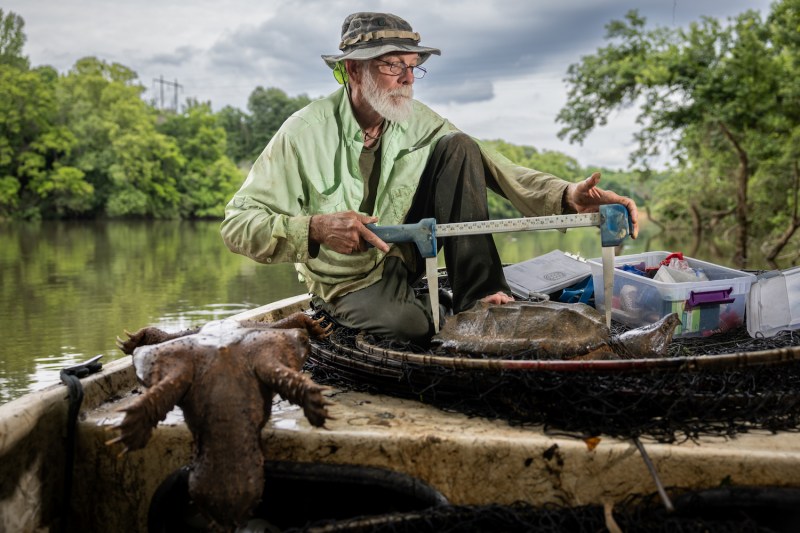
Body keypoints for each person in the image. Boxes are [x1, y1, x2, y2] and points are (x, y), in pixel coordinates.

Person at [221, 12, 639, 345]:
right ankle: (381, 307)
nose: (407, 79)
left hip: (403, 256)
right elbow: (238, 224)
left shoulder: (416, 119)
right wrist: (313, 228)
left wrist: (568, 196)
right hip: (346, 277)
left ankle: (480, 298)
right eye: (393, 66)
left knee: (460, 146)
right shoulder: (302, 132)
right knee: (416, 327)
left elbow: (495, 167)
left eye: (412, 67)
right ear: (353, 70)